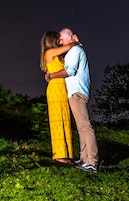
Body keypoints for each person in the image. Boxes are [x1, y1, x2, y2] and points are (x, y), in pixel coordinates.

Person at [48, 28, 99, 173]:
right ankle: (84, 159)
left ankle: (92, 161)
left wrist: (51, 76)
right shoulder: (73, 50)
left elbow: (69, 71)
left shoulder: (75, 51)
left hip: (77, 92)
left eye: (62, 39)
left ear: (70, 37)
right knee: (81, 127)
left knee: (85, 126)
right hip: (75, 92)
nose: (60, 42)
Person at [40, 31, 80, 164]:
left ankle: (67, 154)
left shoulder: (57, 55)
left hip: (63, 88)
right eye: (58, 39)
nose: (60, 41)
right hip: (55, 88)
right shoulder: (49, 52)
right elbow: (69, 47)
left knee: (65, 119)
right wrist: (75, 42)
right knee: (57, 121)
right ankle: (59, 155)